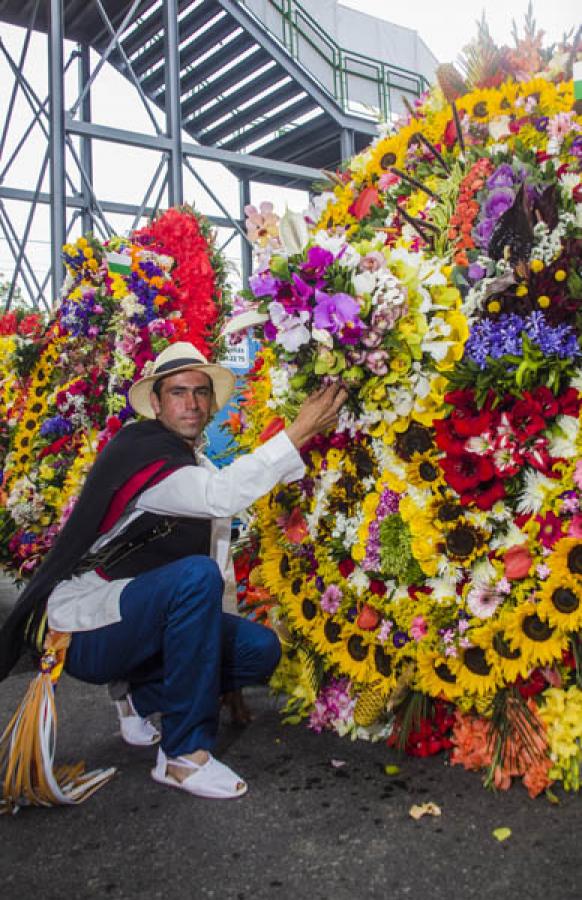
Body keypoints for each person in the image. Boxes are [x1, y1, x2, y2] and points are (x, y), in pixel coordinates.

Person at [0, 342, 347, 801]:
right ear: (158, 404)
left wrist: (212, 667)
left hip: (133, 621)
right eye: (178, 392)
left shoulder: (189, 461)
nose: (192, 403)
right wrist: (299, 431)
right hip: (87, 635)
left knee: (259, 650)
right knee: (194, 576)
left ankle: (140, 698)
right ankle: (183, 756)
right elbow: (221, 498)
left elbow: (217, 559)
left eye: (201, 392)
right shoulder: (145, 453)